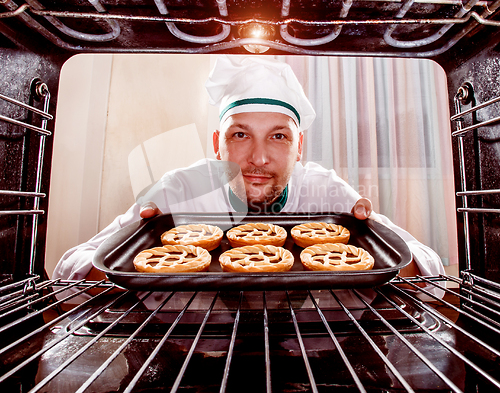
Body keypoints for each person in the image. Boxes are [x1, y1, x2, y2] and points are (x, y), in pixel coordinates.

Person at [52, 56, 445, 288]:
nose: (258, 158)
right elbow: (69, 269)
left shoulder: (325, 190)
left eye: (278, 136)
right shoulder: (178, 189)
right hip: (186, 353)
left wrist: (375, 240)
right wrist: (134, 246)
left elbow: (430, 271)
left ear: (300, 147)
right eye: (240, 134)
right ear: (216, 143)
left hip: (316, 352)